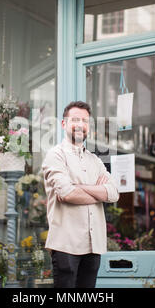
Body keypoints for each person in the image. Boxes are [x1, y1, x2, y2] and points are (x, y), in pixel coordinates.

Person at [41, 101, 119, 288]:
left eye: (85, 121)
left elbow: (114, 193)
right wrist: (99, 193)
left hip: (93, 245)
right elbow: (67, 193)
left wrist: (80, 187)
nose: (80, 125)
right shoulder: (55, 155)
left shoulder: (95, 161)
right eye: (75, 119)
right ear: (63, 124)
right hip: (66, 244)